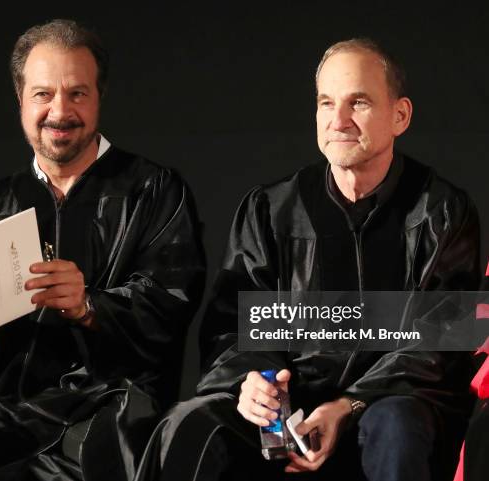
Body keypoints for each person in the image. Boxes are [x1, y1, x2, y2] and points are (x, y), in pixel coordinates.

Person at [135, 38, 480, 481]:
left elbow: (442, 338)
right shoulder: (271, 209)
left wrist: (347, 405)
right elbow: (234, 325)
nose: (338, 121)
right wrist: (256, 383)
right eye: (325, 103)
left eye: (358, 102)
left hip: (388, 403)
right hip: (288, 409)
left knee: (396, 424)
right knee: (189, 423)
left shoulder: (441, 211)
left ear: (400, 115)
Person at [0, 19, 205, 481]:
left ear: (99, 98)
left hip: (114, 398)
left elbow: (174, 303)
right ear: (20, 100)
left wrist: (90, 306)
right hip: (11, 398)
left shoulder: (153, 189)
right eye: (43, 94)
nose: (60, 110)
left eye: (77, 93)